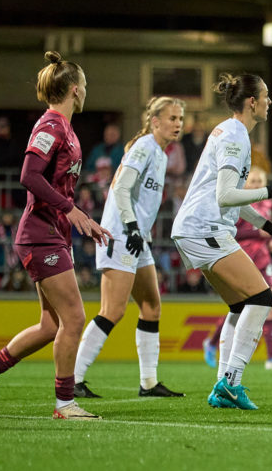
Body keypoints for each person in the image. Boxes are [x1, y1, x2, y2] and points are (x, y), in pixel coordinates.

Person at [0, 51, 111, 420]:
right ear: (75, 90)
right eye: (86, 86)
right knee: (75, 319)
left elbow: (59, 185)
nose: (86, 91)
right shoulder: (51, 126)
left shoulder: (65, 127)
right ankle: (64, 403)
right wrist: (69, 209)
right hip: (40, 234)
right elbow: (29, 176)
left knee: (52, 325)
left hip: (53, 233)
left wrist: (83, 219)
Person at [171, 72, 272, 410]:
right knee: (263, 298)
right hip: (204, 227)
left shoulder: (232, 132)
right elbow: (226, 195)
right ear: (251, 102)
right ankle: (231, 382)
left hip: (200, 227)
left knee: (240, 305)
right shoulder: (235, 136)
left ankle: (223, 386)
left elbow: (233, 199)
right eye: (266, 95)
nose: (270, 102)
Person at [73, 96, 187, 399]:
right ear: (155, 121)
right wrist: (133, 226)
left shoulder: (161, 155)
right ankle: (72, 378)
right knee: (113, 310)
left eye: (180, 119)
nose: (178, 124)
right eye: (172, 118)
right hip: (122, 234)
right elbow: (120, 188)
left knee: (151, 308)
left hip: (139, 237)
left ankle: (148, 383)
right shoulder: (144, 147)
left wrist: (140, 231)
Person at [202, 166, 272, 371]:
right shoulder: (238, 202)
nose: (257, 185)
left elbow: (264, 232)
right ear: (245, 184)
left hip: (263, 260)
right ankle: (212, 342)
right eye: (253, 181)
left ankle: (271, 358)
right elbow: (233, 232)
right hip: (243, 259)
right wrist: (258, 233)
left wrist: (270, 243)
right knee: (240, 308)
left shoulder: (268, 203)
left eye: (261, 181)